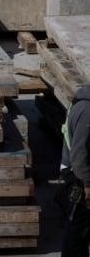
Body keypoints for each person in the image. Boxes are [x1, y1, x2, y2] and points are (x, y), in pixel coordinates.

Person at [61, 85, 90, 257]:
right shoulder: (87, 111)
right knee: (78, 229)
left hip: (80, 173)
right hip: (78, 177)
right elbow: (79, 155)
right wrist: (87, 184)